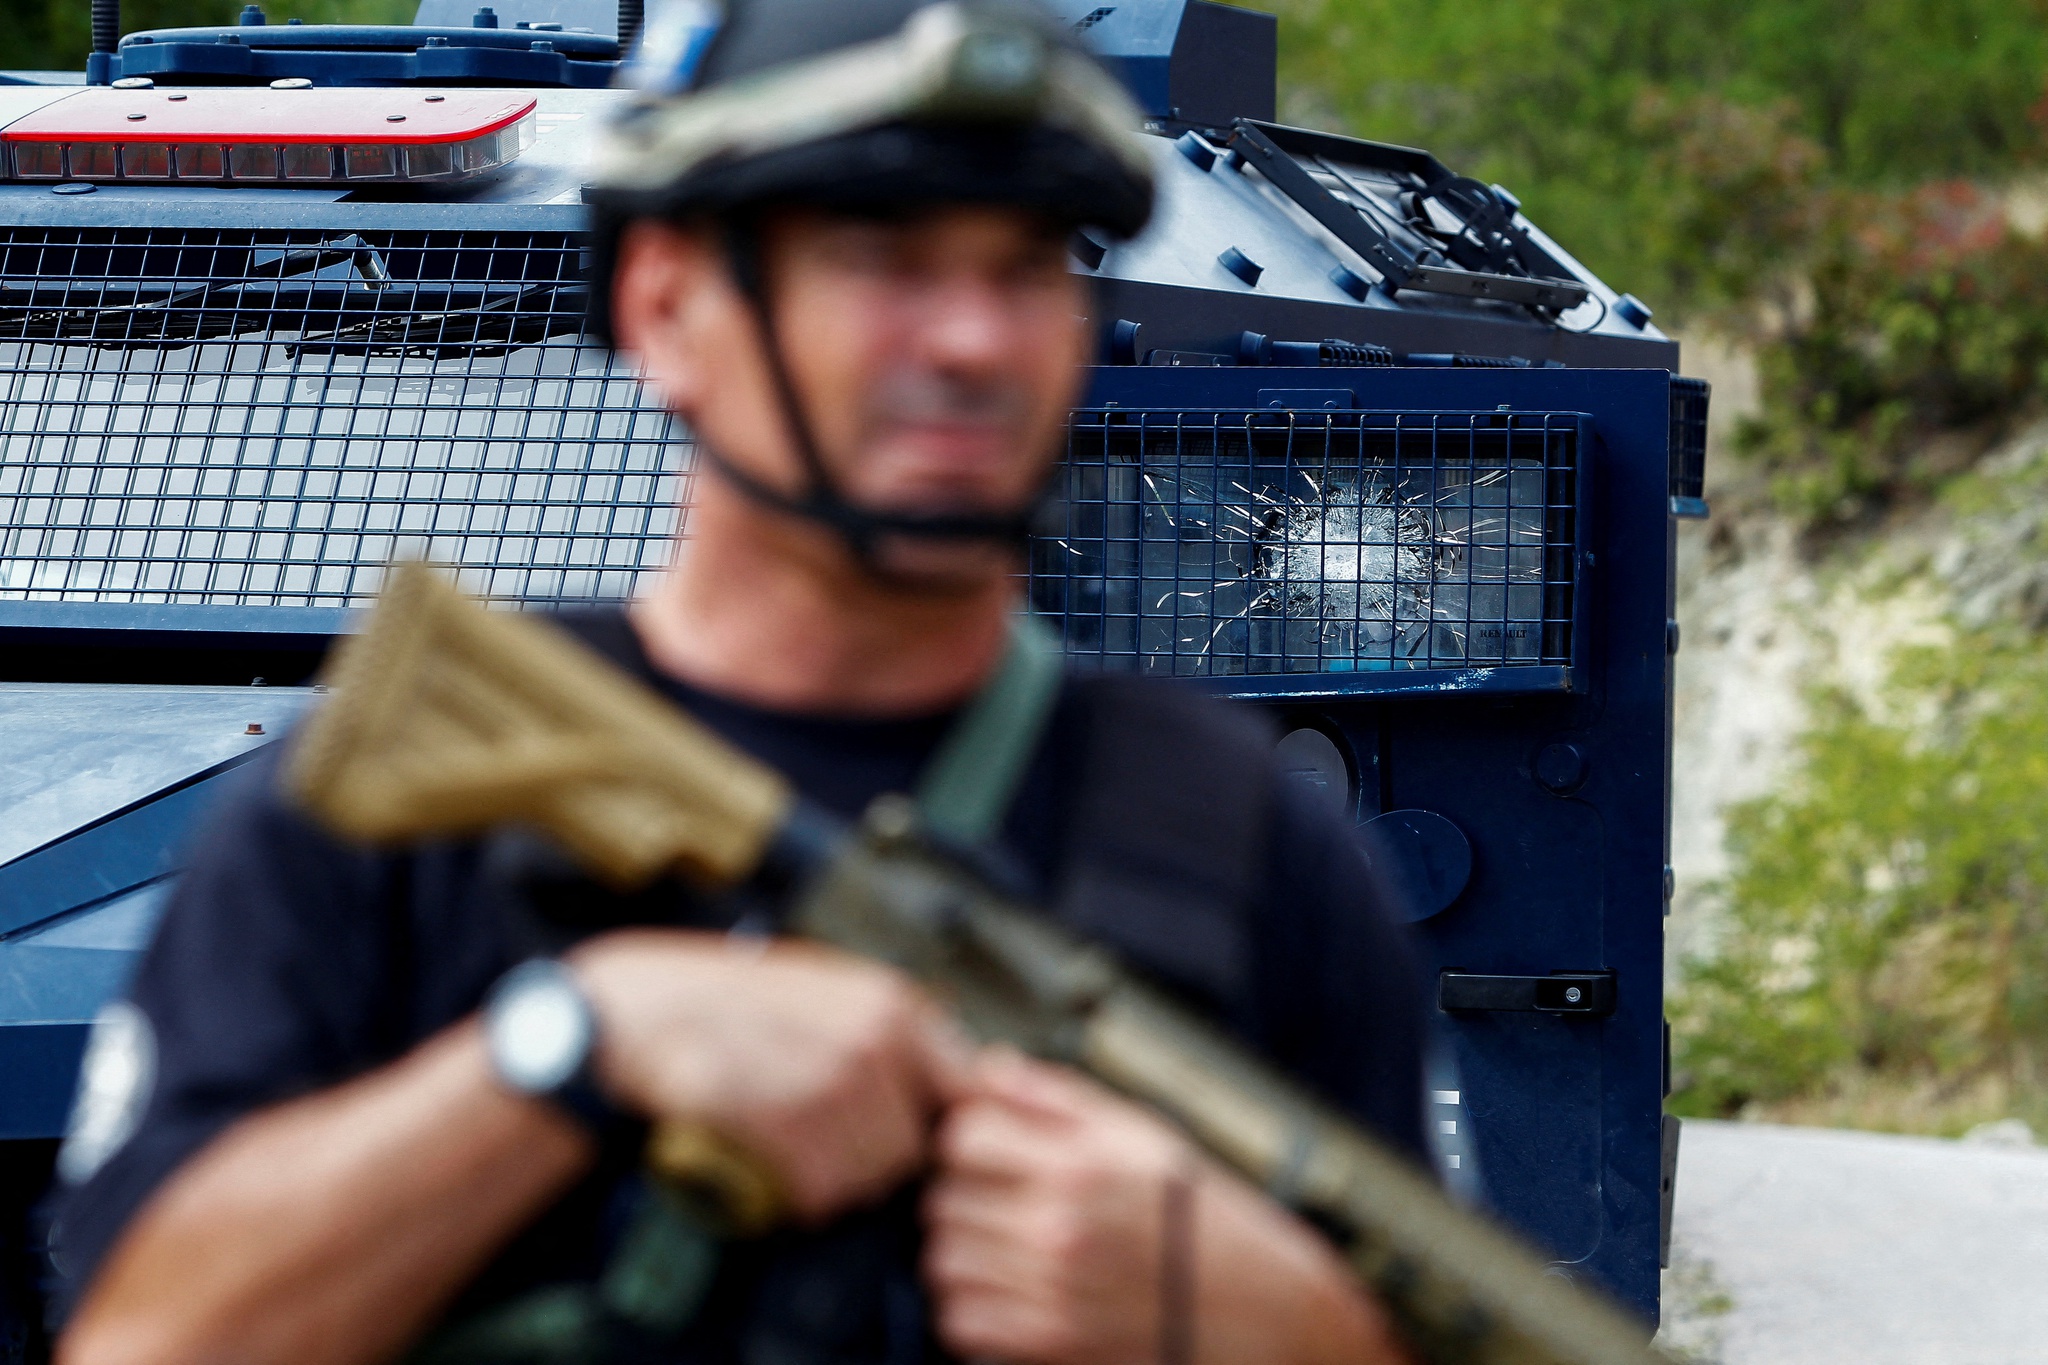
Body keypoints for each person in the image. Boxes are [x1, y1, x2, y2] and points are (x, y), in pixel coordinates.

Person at [50, 1, 1433, 1362]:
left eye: (1026, 269)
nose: (973, 342)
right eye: (880, 260)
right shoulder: (385, 813)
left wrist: (1278, 1321)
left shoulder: (1253, 844)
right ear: (664, 304)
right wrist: (567, 1051)